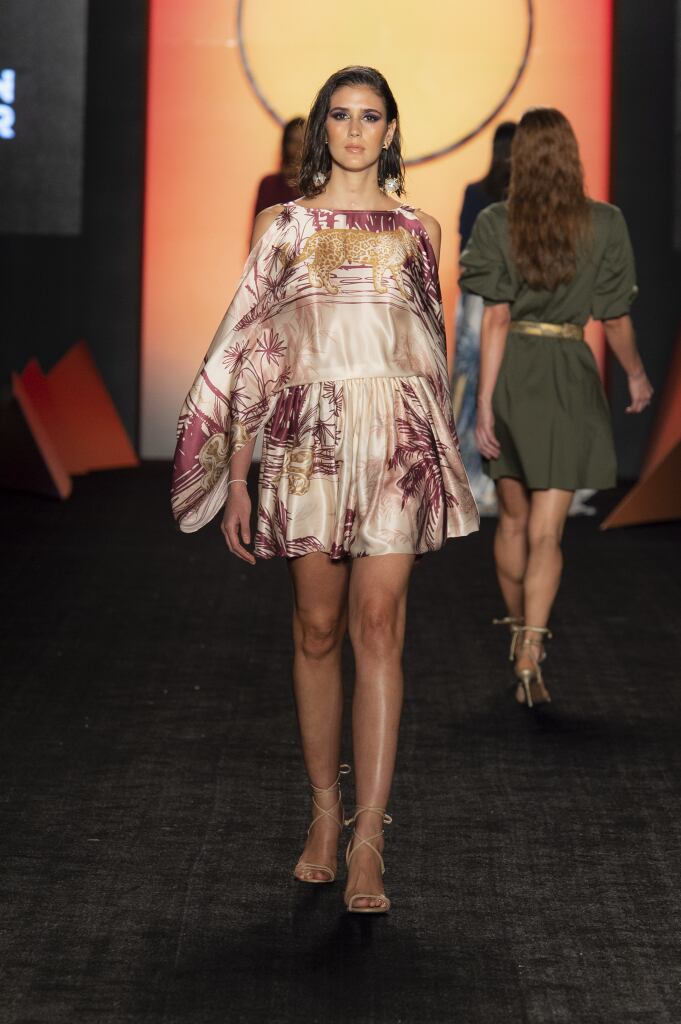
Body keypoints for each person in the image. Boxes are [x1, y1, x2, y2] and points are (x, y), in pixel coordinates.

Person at [171, 66, 478, 913]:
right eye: (339, 115)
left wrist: (438, 454)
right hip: (307, 442)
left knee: (378, 626)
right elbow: (251, 351)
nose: (353, 129)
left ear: (390, 130)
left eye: (368, 115)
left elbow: (426, 349)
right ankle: (322, 812)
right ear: (322, 129)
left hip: (395, 444)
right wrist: (237, 474)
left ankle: (369, 841)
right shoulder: (283, 225)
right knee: (315, 628)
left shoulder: (421, 230)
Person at [459, 107, 653, 708]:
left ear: (520, 158)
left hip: (513, 375)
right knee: (547, 531)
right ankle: (531, 649)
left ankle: (518, 634)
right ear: (572, 154)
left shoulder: (496, 222)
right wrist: (636, 375)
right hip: (568, 373)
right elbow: (614, 318)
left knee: (512, 523)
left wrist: (484, 405)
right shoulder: (604, 222)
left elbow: (494, 318)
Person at [452, 122, 516, 514]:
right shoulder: (498, 198)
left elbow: (465, 256)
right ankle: (489, 480)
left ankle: (476, 479)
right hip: (499, 299)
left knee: (475, 386)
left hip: (480, 298)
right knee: (489, 384)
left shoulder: (478, 193)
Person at [252, 117, 305, 219]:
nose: (298, 148)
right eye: (293, 141)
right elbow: (259, 223)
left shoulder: (318, 188)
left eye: (302, 142)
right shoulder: (269, 184)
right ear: (285, 145)